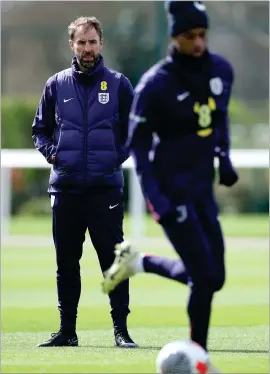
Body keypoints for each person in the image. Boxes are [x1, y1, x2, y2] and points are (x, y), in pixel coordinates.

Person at [101, 0, 238, 357]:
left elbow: (218, 120)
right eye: (190, 36)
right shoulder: (155, 85)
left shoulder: (221, 71)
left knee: (214, 277)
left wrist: (224, 157)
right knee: (204, 279)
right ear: (175, 37)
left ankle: (140, 262)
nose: (198, 43)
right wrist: (155, 199)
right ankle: (198, 357)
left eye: (203, 35)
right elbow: (138, 149)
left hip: (201, 190)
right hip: (169, 191)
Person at [32, 16, 138, 348]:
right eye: (81, 42)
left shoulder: (119, 84)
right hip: (66, 189)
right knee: (66, 264)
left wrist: (115, 158)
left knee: (115, 263)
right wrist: (52, 153)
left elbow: (135, 131)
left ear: (101, 43)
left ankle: (121, 331)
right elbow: (40, 130)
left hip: (106, 189)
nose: (87, 48)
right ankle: (67, 331)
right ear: (72, 45)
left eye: (92, 42)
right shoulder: (55, 85)